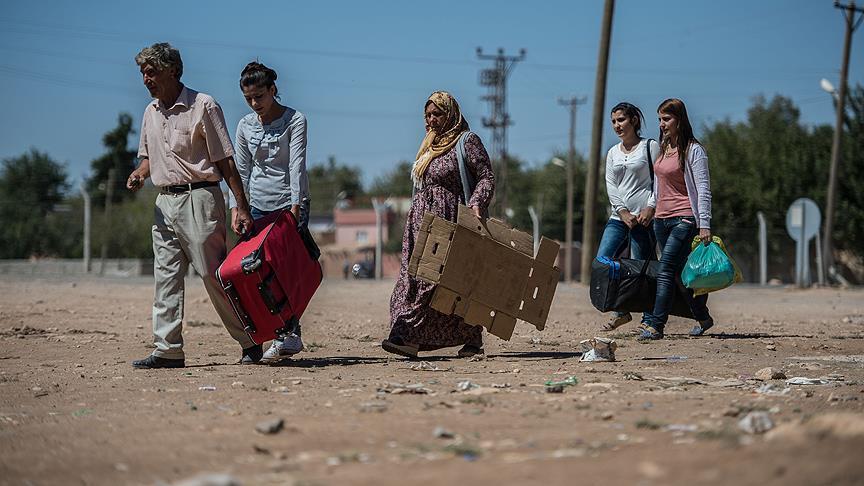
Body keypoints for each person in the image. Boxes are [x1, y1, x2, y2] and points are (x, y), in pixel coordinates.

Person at [127, 43, 262, 368]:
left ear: (173, 71)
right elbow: (148, 157)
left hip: (200, 199)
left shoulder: (203, 105)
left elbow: (225, 160)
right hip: (164, 202)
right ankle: (167, 349)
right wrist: (140, 173)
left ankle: (251, 340)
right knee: (166, 277)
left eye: (151, 72)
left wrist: (240, 205)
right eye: (142, 73)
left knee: (213, 275)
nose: (146, 79)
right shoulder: (150, 112)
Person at [382, 91, 495, 359]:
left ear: (450, 114)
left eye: (437, 114)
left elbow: (486, 176)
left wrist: (477, 203)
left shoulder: (466, 141)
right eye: (427, 115)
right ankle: (414, 335)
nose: (430, 120)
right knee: (413, 279)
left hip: (449, 221)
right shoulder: (429, 145)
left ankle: (409, 336)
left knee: (438, 281)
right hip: (421, 223)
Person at [230, 61, 310, 363]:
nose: (255, 104)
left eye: (259, 96)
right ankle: (265, 335)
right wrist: (237, 208)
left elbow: (296, 165)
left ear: (273, 89)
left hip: (289, 205)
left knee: (285, 273)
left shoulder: (295, 120)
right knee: (254, 273)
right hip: (256, 207)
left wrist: (295, 207)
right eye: (248, 98)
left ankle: (289, 335)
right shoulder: (244, 126)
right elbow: (241, 170)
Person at [637, 98, 715, 340]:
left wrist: (704, 224)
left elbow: (703, 189)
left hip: (685, 219)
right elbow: (658, 186)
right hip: (661, 220)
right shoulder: (664, 148)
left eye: (666, 119)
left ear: (680, 120)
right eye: (659, 119)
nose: (662, 124)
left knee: (665, 268)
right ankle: (703, 316)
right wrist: (651, 208)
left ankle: (655, 325)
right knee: (680, 275)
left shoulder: (694, 150)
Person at [598, 102, 660, 331]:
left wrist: (651, 207)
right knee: (603, 261)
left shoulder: (649, 147)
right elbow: (611, 184)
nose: (617, 125)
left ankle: (649, 320)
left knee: (643, 268)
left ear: (634, 120)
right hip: (618, 219)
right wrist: (622, 211)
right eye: (613, 121)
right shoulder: (612, 152)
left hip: (643, 220)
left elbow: (660, 180)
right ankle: (621, 310)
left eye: (621, 120)